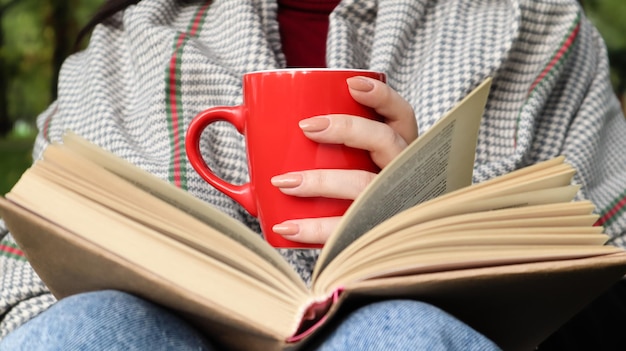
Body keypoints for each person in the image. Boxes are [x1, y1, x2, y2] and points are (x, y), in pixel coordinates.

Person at [0, 0, 624, 349]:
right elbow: (22, 285)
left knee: (403, 336)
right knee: (89, 329)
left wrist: (436, 228)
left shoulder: (534, 27)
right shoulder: (122, 53)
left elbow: (603, 288)